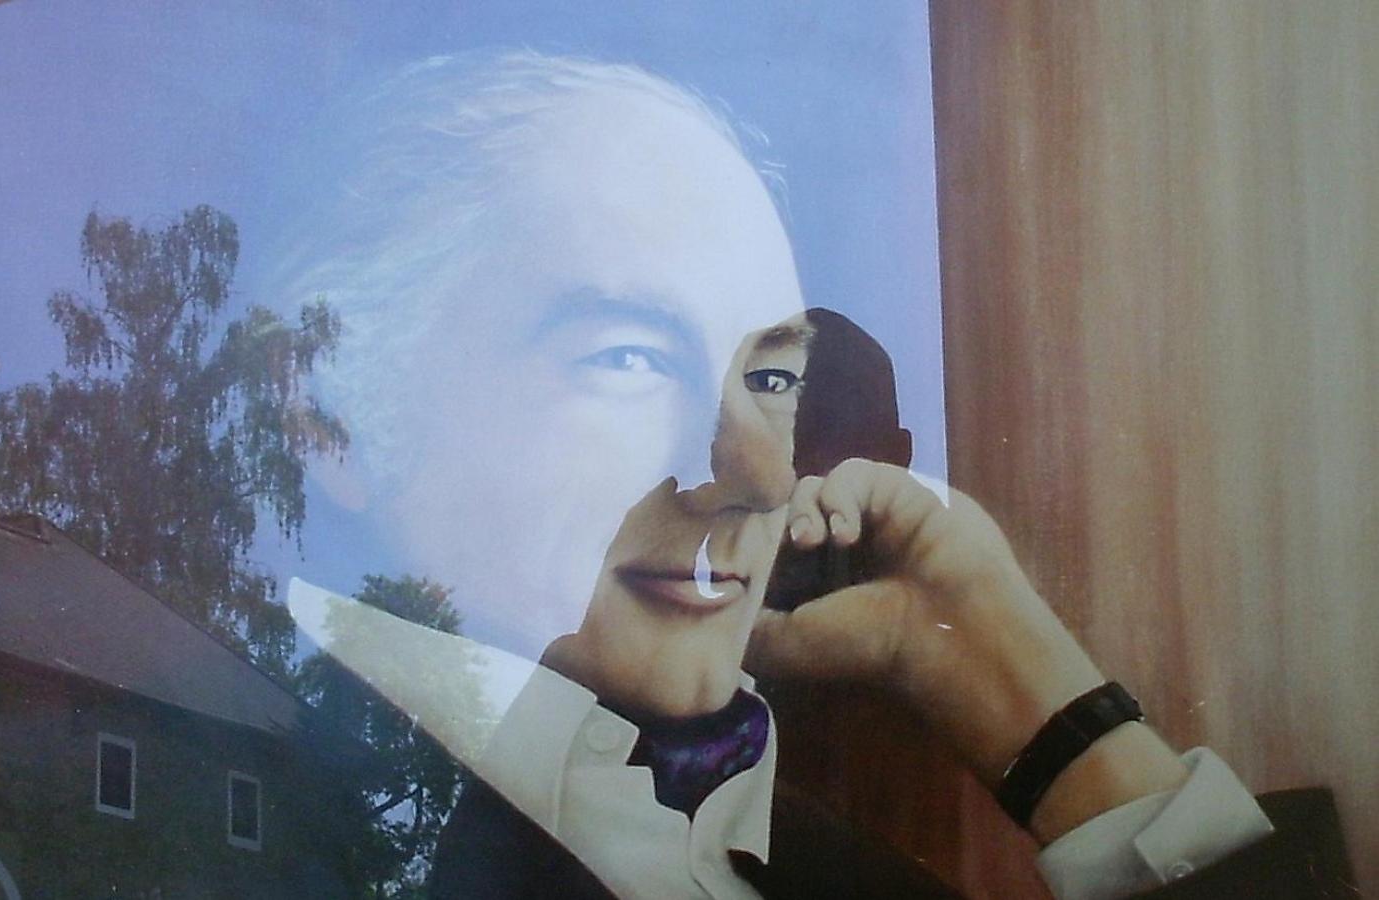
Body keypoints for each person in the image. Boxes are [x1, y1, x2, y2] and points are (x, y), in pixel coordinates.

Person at [281, 52, 1351, 899]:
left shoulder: (766, 851)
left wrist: (1030, 698)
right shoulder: (252, 813)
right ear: (336, 426)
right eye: (627, 358)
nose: (759, 474)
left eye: (771, 377)